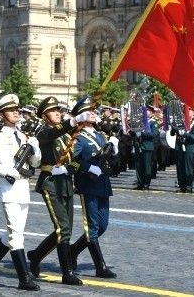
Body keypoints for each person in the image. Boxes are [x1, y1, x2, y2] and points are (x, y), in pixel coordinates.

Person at [0, 94, 42, 291]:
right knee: (16, 235)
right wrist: (6, 171)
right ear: (2, 114)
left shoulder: (23, 137)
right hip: (9, 188)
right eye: (11, 110)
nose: (16, 112)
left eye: (17, 109)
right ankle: (24, 278)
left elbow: (35, 163)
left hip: (23, 188)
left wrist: (36, 149)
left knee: (14, 233)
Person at [26, 96, 85, 286]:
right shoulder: (42, 132)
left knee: (64, 229)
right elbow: (51, 135)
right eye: (53, 111)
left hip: (66, 183)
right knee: (63, 229)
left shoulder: (67, 136)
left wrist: (71, 168)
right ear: (44, 116)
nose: (58, 113)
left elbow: (76, 157)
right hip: (50, 183)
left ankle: (36, 255)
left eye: (59, 110)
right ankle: (66, 273)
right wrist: (73, 122)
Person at [69, 96, 119, 279]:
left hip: (103, 184)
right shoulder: (77, 137)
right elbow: (69, 160)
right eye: (88, 111)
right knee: (92, 227)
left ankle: (73, 250)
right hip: (88, 185)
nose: (93, 113)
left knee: (102, 226)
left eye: (93, 110)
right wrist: (88, 167)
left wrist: (114, 149)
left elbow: (112, 162)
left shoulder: (100, 135)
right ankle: (100, 266)